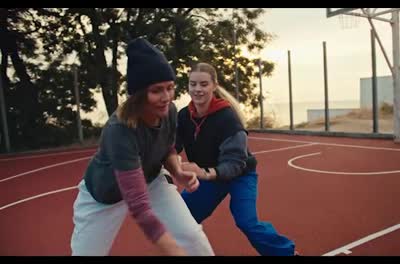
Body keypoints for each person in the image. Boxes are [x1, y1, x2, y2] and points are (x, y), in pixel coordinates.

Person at [70, 38, 214, 256]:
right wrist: (174, 251)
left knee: (192, 237)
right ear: (138, 95)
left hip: (152, 179)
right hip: (104, 195)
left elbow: (167, 148)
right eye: (157, 90)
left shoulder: (169, 111)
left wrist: (177, 171)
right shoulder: (119, 130)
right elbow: (140, 208)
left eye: (170, 88)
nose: (166, 97)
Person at [174, 62, 298, 256]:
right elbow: (173, 145)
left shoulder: (227, 119)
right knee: (181, 216)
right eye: (193, 84)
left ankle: (286, 254)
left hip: (240, 175)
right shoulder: (183, 116)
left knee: (247, 222)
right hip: (210, 176)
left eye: (204, 84)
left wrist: (205, 173)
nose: (197, 89)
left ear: (214, 86)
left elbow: (235, 163)